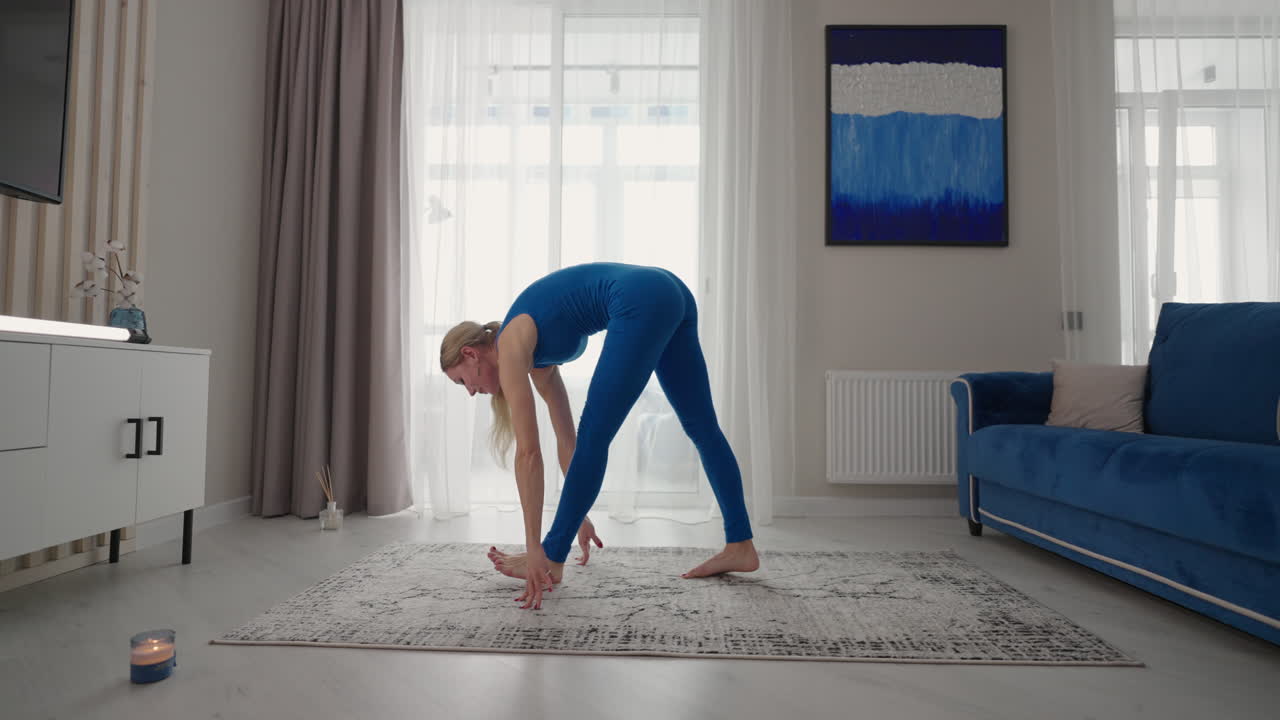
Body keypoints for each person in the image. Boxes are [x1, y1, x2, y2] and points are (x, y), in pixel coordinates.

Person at [440, 262, 759, 610]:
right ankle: (740, 545)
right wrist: (578, 516)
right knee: (701, 428)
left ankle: (552, 558)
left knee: (596, 433)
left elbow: (529, 455)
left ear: (470, 354)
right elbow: (567, 442)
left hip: (643, 298)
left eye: (462, 380)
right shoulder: (536, 357)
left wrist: (535, 549)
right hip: (669, 290)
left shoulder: (512, 345)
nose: (470, 391)